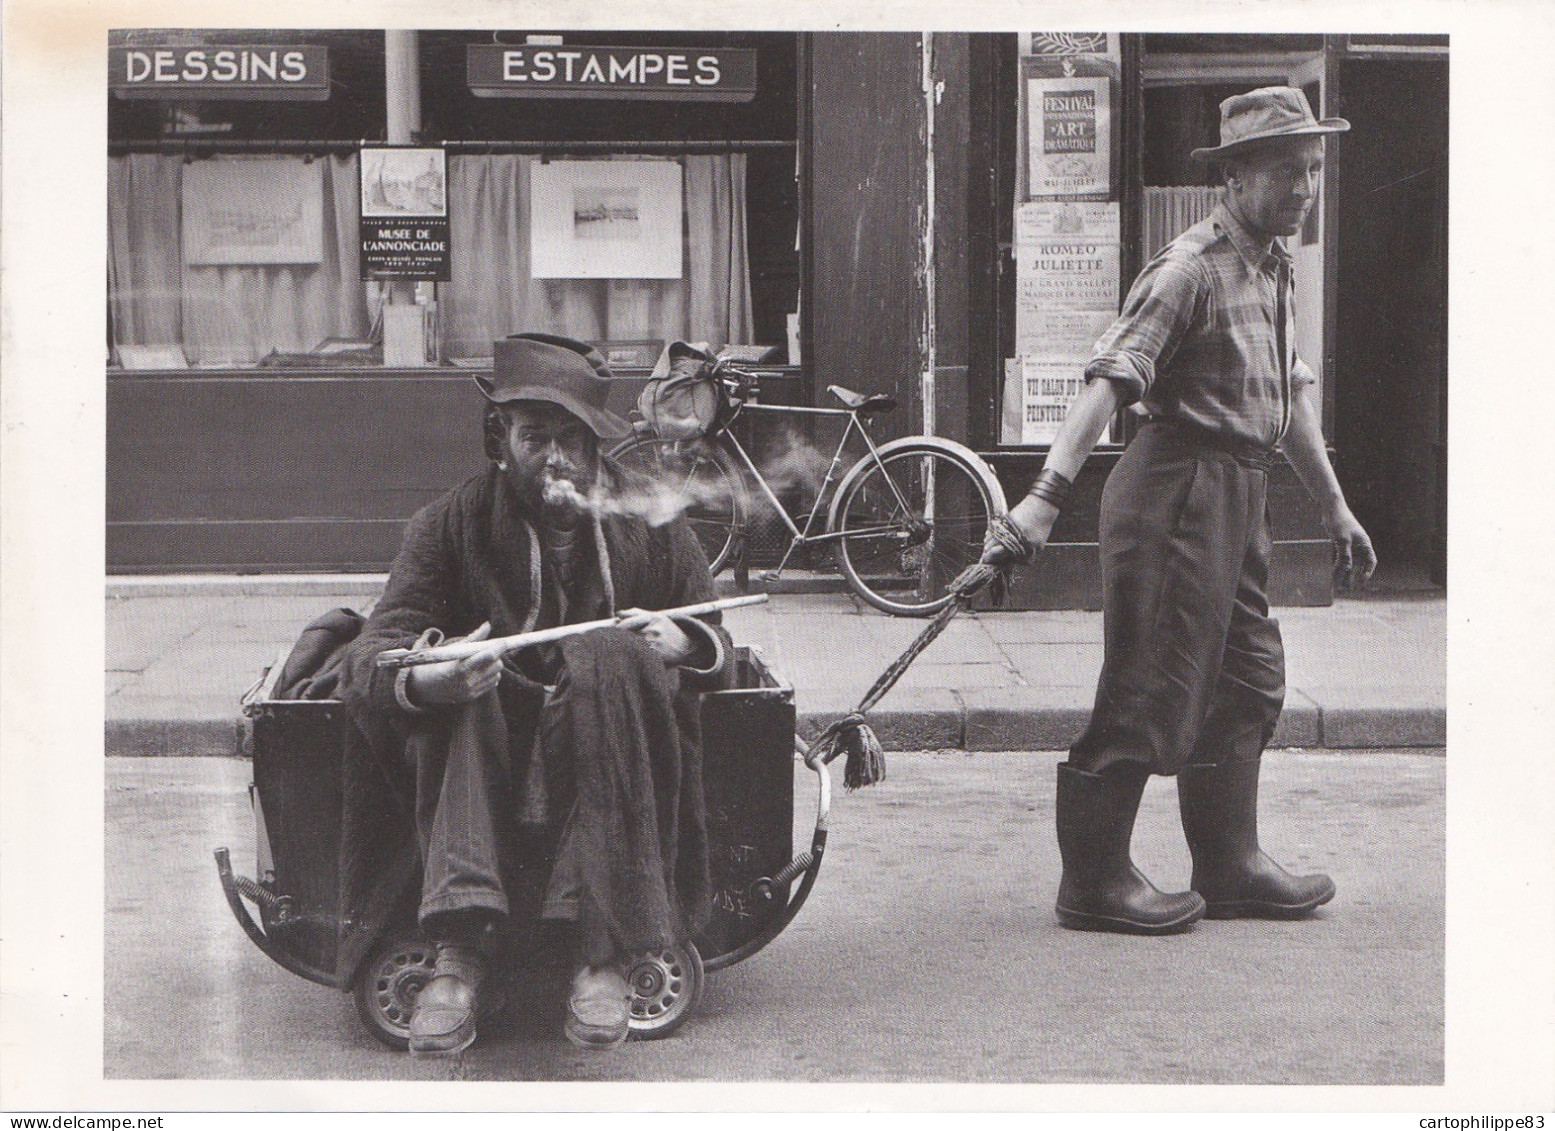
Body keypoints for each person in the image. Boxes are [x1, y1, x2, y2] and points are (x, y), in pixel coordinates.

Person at [986, 87, 1377, 935]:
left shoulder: (1271, 264)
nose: (1306, 186)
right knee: (1148, 683)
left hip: (1237, 490)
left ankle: (1228, 863)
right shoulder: (1187, 268)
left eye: (1313, 169)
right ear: (1234, 177)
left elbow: (1290, 397)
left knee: (1249, 680)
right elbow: (1108, 378)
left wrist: (1336, 507)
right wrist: (1045, 499)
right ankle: (1092, 881)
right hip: (1173, 491)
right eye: (1287, 169)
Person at [334, 333, 735, 1055]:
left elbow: (715, 636)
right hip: (486, 745)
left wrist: (682, 644)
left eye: (570, 440)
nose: (555, 458)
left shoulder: (648, 518)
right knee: (469, 670)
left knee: (609, 658)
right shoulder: (447, 525)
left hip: (609, 738)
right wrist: (429, 676)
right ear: (499, 439)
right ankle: (460, 950)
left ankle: (599, 948)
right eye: (534, 436)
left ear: (594, 449)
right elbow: (371, 654)